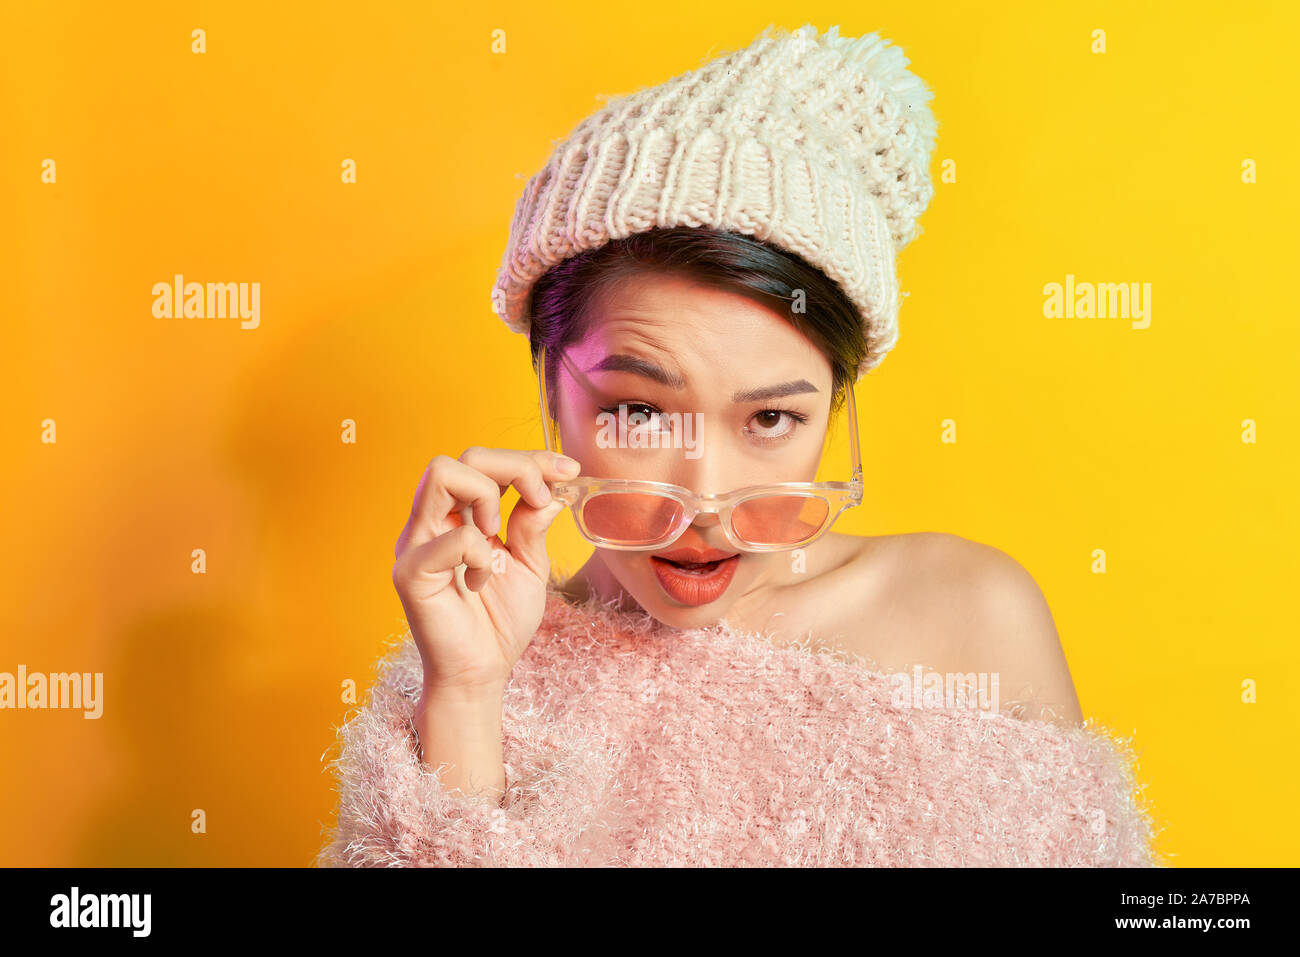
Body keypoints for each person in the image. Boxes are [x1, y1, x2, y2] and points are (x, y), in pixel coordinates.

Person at [316, 22, 1160, 867]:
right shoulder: (471, 665)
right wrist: (466, 697)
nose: (708, 502)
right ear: (550, 391)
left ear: (837, 407)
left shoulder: (971, 614)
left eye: (770, 420)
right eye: (640, 414)